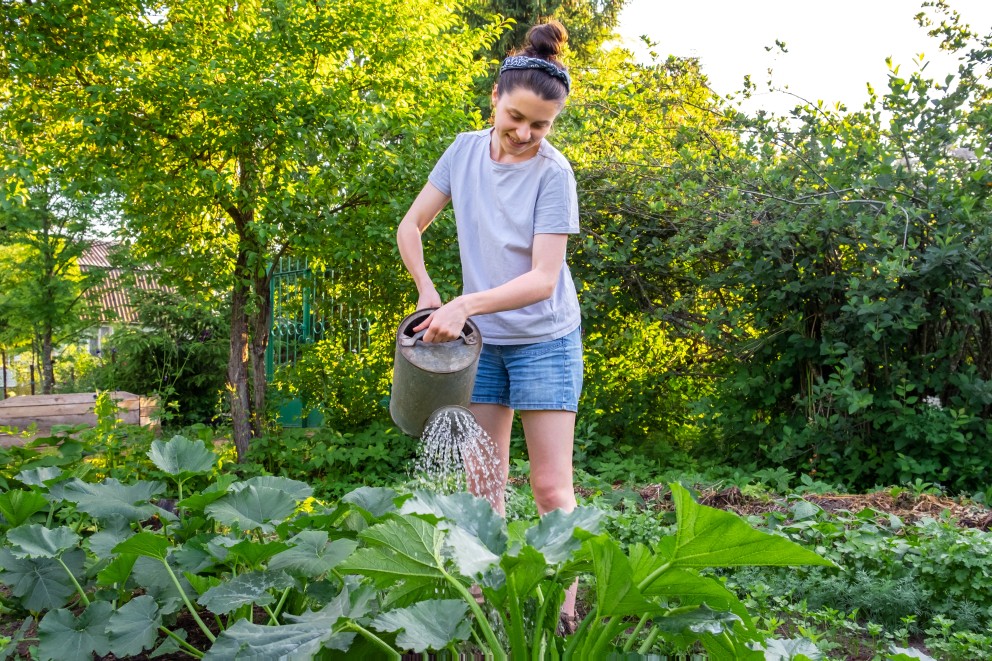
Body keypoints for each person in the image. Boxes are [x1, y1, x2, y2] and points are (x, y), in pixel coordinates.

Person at [396, 20, 582, 626]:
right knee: (485, 485)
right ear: (495, 99)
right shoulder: (463, 150)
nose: (526, 133)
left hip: (545, 341)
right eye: (517, 118)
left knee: (552, 489)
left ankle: (564, 610)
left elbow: (542, 279)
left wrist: (464, 305)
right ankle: (486, 602)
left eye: (541, 125)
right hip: (483, 347)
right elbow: (410, 226)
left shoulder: (554, 174)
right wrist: (429, 292)